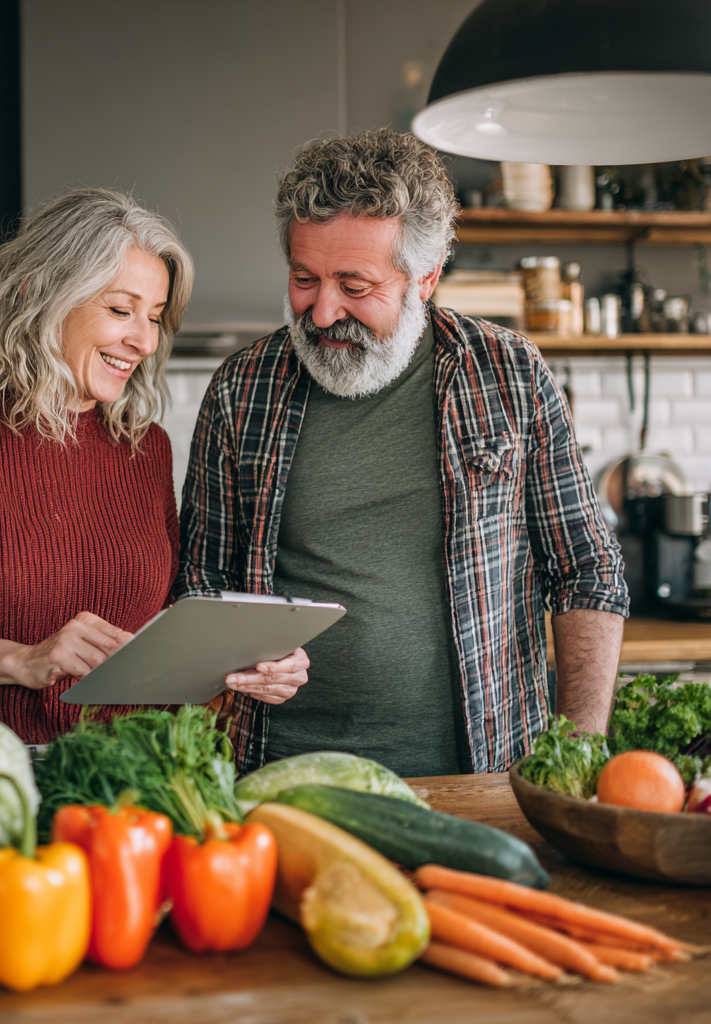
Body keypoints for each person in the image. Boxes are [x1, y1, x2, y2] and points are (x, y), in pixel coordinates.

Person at [177, 130, 628, 777]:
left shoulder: (508, 373)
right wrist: (234, 654)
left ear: (426, 277)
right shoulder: (241, 390)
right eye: (304, 278)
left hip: (484, 780)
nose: (323, 311)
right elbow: (201, 580)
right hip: (283, 783)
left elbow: (586, 567)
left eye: (354, 286)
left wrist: (578, 756)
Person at [0, 188, 299, 742]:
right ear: (42, 293)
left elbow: (163, 632)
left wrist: (244, 664)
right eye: (120, 309)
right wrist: (21, 660)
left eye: (154, 317)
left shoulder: (144, 446)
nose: (143, 340)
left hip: (129, 784)